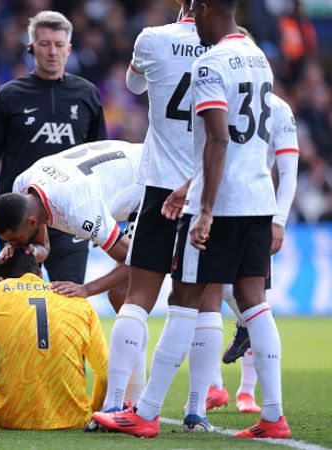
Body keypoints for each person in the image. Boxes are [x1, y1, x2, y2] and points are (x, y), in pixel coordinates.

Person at [93, 0, 291, 439]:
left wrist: (200, 204)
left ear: (201, 9)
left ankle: (140, 412)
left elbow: (217, 139)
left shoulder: (199, 57)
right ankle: (262, 415)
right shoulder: (260, 58)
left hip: (208, 195)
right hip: (257, 196)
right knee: (251, 304)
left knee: (176, 298)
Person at [89, 0, 222, 431]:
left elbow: (133, 85)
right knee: (204, 303)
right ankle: (196, 409)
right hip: (211, 188)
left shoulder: (152, 38)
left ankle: (113, 406)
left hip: (161, 184)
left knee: (139, 298)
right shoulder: (228, 48)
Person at [0, 10, 107, 286]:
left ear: (69, 48)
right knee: (18, 304)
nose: (52, 51)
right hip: (19, 218)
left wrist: (102, 221)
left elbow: (99, 164)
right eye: (44, 44)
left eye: (59, 44)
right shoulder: (9, 96)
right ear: (31, 48)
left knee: (70, 301)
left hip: (71, 217)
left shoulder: (87, 95)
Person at [0, 247, 108, 429]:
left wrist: (7, 396)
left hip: (7, 416)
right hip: (74, 418)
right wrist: (92, 412)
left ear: (0, 280)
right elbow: (106, 375)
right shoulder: (78, 299)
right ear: (39, 273)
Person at [212, 90, 300, 413]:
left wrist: (279, 220)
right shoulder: (219, 96)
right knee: (212, 293)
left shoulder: (279, 109)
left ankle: (246, 392)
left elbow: (289, 172)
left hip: (256, 213)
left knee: (252, 299)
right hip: (216, 206)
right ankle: (213, 385)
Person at [0, 140, 145, 311]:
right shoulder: (22, 187)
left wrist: (86, 289)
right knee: (119, 293)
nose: (12, 245)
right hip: (125, 170)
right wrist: (30, 252)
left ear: (32, 222)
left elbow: (134, 260)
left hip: (151, 181)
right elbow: (43, 247)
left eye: (14, 239)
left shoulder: (79, 211)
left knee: (121, 292)